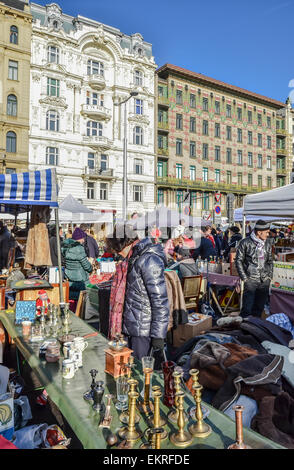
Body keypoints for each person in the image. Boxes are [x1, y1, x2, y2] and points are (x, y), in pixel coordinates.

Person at [106, 224, 169, 360]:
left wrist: (159, 335)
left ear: (123, 244)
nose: (117, 254)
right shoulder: (132, 258)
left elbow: (160, 301)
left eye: (117, 250)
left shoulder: (148, 260)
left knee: (141, 372)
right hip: (130, 326)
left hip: (143, 330)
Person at [235, 220, 273, 318]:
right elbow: (238, 261)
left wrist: (269, 276)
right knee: (247, 309)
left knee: (259, 308)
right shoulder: (245, 242)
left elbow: (270, 261)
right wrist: (245, 278)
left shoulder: (267, 243)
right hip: (251, 279)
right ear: (259, 232)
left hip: (264, 280)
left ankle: (254, 330)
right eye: (266, 232)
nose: (268, 235)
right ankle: (243, 330)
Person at [61, 227, 93, 305]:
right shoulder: (79, 249)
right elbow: (86, 266)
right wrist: (91, 268)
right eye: (82, 238)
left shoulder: (65, 247)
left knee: (71, 298)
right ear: (79, 238)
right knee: (83, 299)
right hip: (80, 278)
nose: (83, 240)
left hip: (69, 276)